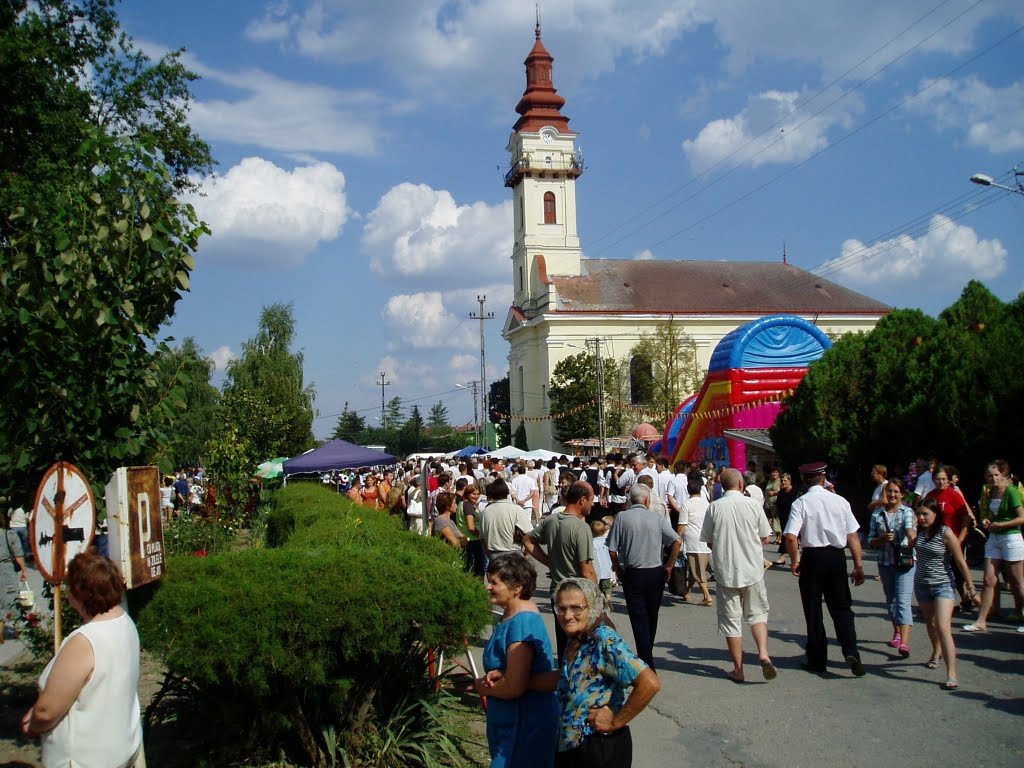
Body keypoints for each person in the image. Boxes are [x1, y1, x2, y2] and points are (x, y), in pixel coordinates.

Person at [22, 550, 143, 767]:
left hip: (85, 759)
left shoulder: (85, 642)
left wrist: (34, 723)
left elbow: (47, 711)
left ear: (80, 593)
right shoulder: (125, 623)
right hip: (121, 748)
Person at [553, 577, 661, 768]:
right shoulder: (577, 637)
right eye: (561, 608)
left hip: (598, 747)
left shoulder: (604, 639)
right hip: (572, 746)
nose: (567, 615)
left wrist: (615, 722)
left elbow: (649, 683)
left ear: (592, 607)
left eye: (576, 608)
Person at [474, 554, 558, 768]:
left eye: (494, 582)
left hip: (522, 724)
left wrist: (483, 688)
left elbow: (515, 686)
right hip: (511, 722)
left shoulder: (521, 623)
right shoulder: (511, 616)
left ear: (517, 587)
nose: (488, 587)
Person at [783, 461, 867, 676]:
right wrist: (858, 565)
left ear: (804, 480)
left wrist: (795, 560)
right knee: (841, 607)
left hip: (813, 557)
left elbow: (791, 536)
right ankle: (851, 650)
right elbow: (852, 536)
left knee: (813, 610)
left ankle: (817, 659)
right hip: (836, 556)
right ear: (823, 478)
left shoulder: (801, 503)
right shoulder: (840, 501)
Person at [699, 468, 776, 683]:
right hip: (752, 569)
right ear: (741, 484)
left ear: (721, 485)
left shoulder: (714, 507)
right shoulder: (753, 505)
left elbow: (708, 540)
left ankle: (738, 669)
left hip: (726, 570)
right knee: (758, 613)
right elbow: (765, 536)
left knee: (731, 620)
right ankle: (763, 653)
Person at [607, 484, 682, 669]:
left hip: (633, 572)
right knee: (651, 614)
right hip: (655, 571)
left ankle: (645, 657)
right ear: (647, 500)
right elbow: (677, 541)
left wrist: (618, 569)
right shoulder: (656, 518)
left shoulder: (622, 518)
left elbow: (612, 549)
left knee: (638, 616)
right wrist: (669, 565)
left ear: (631, 500)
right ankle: (646, 654)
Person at [523, 481, 598, 664]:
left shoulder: (551, 520)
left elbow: (527, 539)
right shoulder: (581, 528)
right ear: (582, 500)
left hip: (557, 591)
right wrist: (598, 595)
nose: (592, 504)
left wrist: (550, 562)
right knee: (580, 644)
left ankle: (563, 679)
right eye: (591, 500)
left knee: (563, 641)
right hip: (578, 594)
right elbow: (586, 569)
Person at [914, 498, 977, 689]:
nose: (921, 518)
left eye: (925, 514)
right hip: (922, 584)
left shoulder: (945, 532)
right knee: (931, 624)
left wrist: (971, 585)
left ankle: (951, 674)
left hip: (943, 585)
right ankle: (936, 651)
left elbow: (959, 561)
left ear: (936, 514)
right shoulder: (920, 532)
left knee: (943, 626)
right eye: (919, 514)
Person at [964, 460, 1024, 633]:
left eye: (996, 475)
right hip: (994, 538)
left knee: (1017, 581)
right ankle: (981, 620)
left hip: (1011, 538)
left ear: (1003, 475)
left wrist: (1002, 525)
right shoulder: (990, 492)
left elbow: (1021, 518)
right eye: (989, 475)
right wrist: (986, 520)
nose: (993, 478)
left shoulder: (1011, 491)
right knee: (989, 580)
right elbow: (992, 513)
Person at [867, 479, 916, 658]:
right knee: (891, 599)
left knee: (902, 600)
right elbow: (870, 540)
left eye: (896, 491)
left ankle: (904, 642)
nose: (892, 495)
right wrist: (881, 539)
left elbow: (911, 531)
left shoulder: (907, 512)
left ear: (902, 494)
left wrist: (912, 538)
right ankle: (896, 631)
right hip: (885, 561)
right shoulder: (877, 514)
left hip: (904, 561)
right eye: (889, 491)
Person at [679, 473, 712, 605]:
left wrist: (677, 539)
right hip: (705, 539)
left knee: (696, 569)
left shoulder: (686, 504)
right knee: (697, 567)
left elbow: (682, 526)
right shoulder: (707, 504)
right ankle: (688, 591)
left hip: (692, 539)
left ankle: (706, 595)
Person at [480, 478, 534, 558]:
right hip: (514, 553)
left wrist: (488, 554)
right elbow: (529, 534)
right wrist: (527, 553)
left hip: (494, 554)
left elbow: (482, 538)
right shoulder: (516, 509)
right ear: (507, 493)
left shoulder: (485, 512)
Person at [2, 508, 30, 643]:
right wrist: (24, 570)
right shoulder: (9, 535)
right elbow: (18, 553)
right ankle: (15, 627)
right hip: (6, 569)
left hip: (6, 568)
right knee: (11, 598)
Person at [457, 485, 486, 576]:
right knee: (478, 570)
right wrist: (481, 536)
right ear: (467, 494)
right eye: (473, 494)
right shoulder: (468, 506)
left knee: (468, 568)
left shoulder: (462, 504)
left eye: (478, 494)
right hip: (473, 541)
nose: (476, 496)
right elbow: (471, 527)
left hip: (466, 540)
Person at [772, 473, 798, 567]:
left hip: (793, 518)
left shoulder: (795, 492)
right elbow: (777, 505)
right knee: (785, 537)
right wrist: (774, 515)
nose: (783, 482)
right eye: (781, 480)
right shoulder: (781, 493)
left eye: (785, 480)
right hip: (783, 518)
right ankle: (785, 557)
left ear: (789, 481)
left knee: (792, 538)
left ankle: (792, 558)